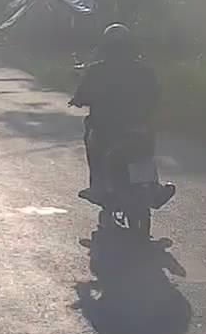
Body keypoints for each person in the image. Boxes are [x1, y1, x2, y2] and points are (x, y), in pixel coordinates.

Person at [68, 23, 171, 204]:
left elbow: (82, 94)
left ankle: (98, 186)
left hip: (105, 126)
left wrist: (77, 100)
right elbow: (156, 95)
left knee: (93, 141)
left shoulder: (97, 70)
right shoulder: (144, 70)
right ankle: (152, 186)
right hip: (138, 125)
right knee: (144, 148)